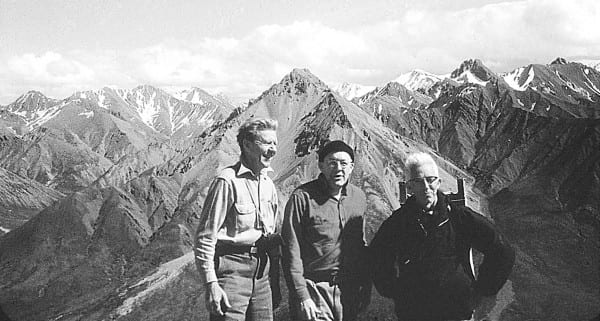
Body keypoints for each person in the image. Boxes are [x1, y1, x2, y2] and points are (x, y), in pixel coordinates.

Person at [369, 152, 515, 321]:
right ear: (409, 187)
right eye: (418, 181)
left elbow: (502, 250)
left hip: (456, 311)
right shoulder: (398, 223)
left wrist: (483, 290)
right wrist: (395, 291)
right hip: (414, 313)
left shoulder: (459, 217)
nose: (426, 187)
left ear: (438, 182)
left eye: (430, 179)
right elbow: (377, 257)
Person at [194, 118, 282, 321]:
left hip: (263, 275)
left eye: (275, 143)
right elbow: (205, 238)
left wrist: (274, 280)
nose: (273, 150)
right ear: (247, 145)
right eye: (267, 143)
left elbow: (272, 238)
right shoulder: (227, 181)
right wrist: (211, 284)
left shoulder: (268, 184)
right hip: (231, 271)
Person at [282, 140, 371, 321]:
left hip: (349, 290)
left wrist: (365, 285)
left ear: (352, 167)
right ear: (321, 165)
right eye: (332, 163)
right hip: (314, 289)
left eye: (344, 163)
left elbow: (360, 245)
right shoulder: (302, 198)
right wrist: (302, 295)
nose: (338, 169)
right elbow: (291, 250)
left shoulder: (359, 197)